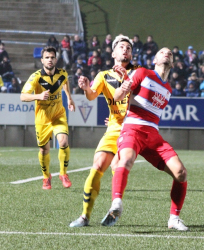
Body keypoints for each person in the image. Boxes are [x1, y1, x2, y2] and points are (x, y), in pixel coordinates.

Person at [101, 47, 189, 231]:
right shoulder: (142, 73)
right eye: (163, 52)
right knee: (126, 160)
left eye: (170, 53)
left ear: (172, 64)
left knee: (181, 173)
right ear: (155, 60)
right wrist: (123, 88)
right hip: (132, 129)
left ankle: (174, 219)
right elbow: (117, 97)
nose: (167, 53)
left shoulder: (168, 89)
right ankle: (116, 203)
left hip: (153, 136)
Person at [69, 35, 139, 228]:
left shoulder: (139, 73)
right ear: (114, 52)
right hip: (114, 128)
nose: (126, 50)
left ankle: (114, 208)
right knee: (98, 165)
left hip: (132, 129)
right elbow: (91, 96)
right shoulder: (103, 75)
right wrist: (85, 88)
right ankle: (84, 217)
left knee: (118, 166)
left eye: (129, 48)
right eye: (122, 47)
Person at [20, 46, 76, 189]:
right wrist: (38, 96)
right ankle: (46, 177)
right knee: (44, 150)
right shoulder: (36, 77)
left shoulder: (62, 73)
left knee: (63, 142)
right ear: (42, 60)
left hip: (58, 114)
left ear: (56, 59)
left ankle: (63, 174)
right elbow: (22, 96)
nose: (50, 60)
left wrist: (69, 98)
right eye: (47, 57)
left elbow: (65, 83)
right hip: (42, 118)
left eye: (52, 57)